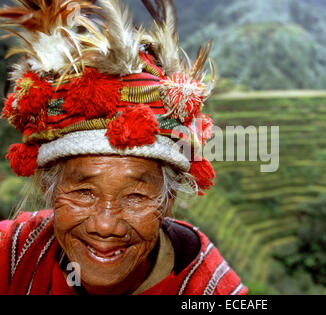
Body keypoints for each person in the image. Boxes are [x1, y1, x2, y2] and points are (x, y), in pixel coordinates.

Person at [0, 0, 247, 295]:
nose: (105, 225)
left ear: (167, 202)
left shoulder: (209, 290)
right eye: (83, 192)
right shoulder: (13, 256)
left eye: (136, 196)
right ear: (49, 188)